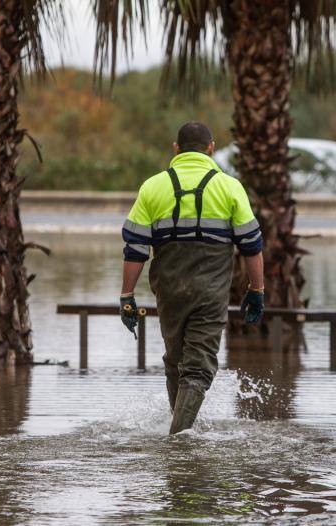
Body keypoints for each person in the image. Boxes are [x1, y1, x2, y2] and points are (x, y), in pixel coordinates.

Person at [119, 121, 266, 434]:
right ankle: (180, 439)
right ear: (211, 148)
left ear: (176, 149)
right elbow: (252, 246)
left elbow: (135, 249)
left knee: (175, 360)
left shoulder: (152, 187)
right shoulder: (229, 187)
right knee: (198, 367)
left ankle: (180, 429)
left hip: (169, 289)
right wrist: (257, 290)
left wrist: (126, 296)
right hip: (211, 292)